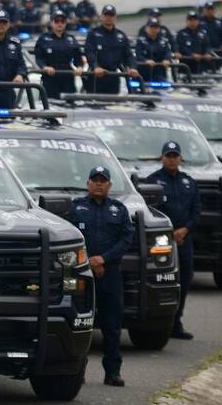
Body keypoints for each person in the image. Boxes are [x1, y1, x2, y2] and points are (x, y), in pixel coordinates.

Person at [71, 165, 134, 386]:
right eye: (95, 180)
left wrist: (103, 259)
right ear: (88, 183)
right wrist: (89, 261)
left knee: (112, 325)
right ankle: (76, 371)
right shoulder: (76, 208)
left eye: (103, 180)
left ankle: (113, 372)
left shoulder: (119, 210)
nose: (99, 183)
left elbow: (126, 239)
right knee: (79, 322)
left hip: (110, 273)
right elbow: (69, 236)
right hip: (82, 273)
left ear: (109, 185)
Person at [144, 141, 200, 340]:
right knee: (163, 283)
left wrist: (185, 230)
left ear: (180, 158)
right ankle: (160, 323)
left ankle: (177, 323)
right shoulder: (152, 182)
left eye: (175, 156)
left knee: (184, 283)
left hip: (185, 241)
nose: (172, 159)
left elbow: (197, 211)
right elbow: (149, 213)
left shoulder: (188, 182)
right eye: (168, 156)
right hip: (162, 243)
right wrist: (170, 234)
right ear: (162, 158)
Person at [83, 5, 138, 94]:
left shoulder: (121, 36)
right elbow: (89, 52)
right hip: (96, 76)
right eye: (106, 15)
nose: (108, 18)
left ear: (115, 17)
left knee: (114, 101)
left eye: (111, 15)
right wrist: (96, 66)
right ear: (101, 17)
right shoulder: (93, 34)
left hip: (114, 76)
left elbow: (128, 55)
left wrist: (132, 67)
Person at [32, 10, 84, 100]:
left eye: (62, 21)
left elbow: (78, 57)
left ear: (65, 23)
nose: (60, 23)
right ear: (51, 23)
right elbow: (39, 58)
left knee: (69, 104)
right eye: (56, 21)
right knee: (50, 104)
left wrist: (79, 67)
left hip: (67, 78)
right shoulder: (43, 39)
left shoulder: (71, 39)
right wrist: (45, 67)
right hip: (50, 77)